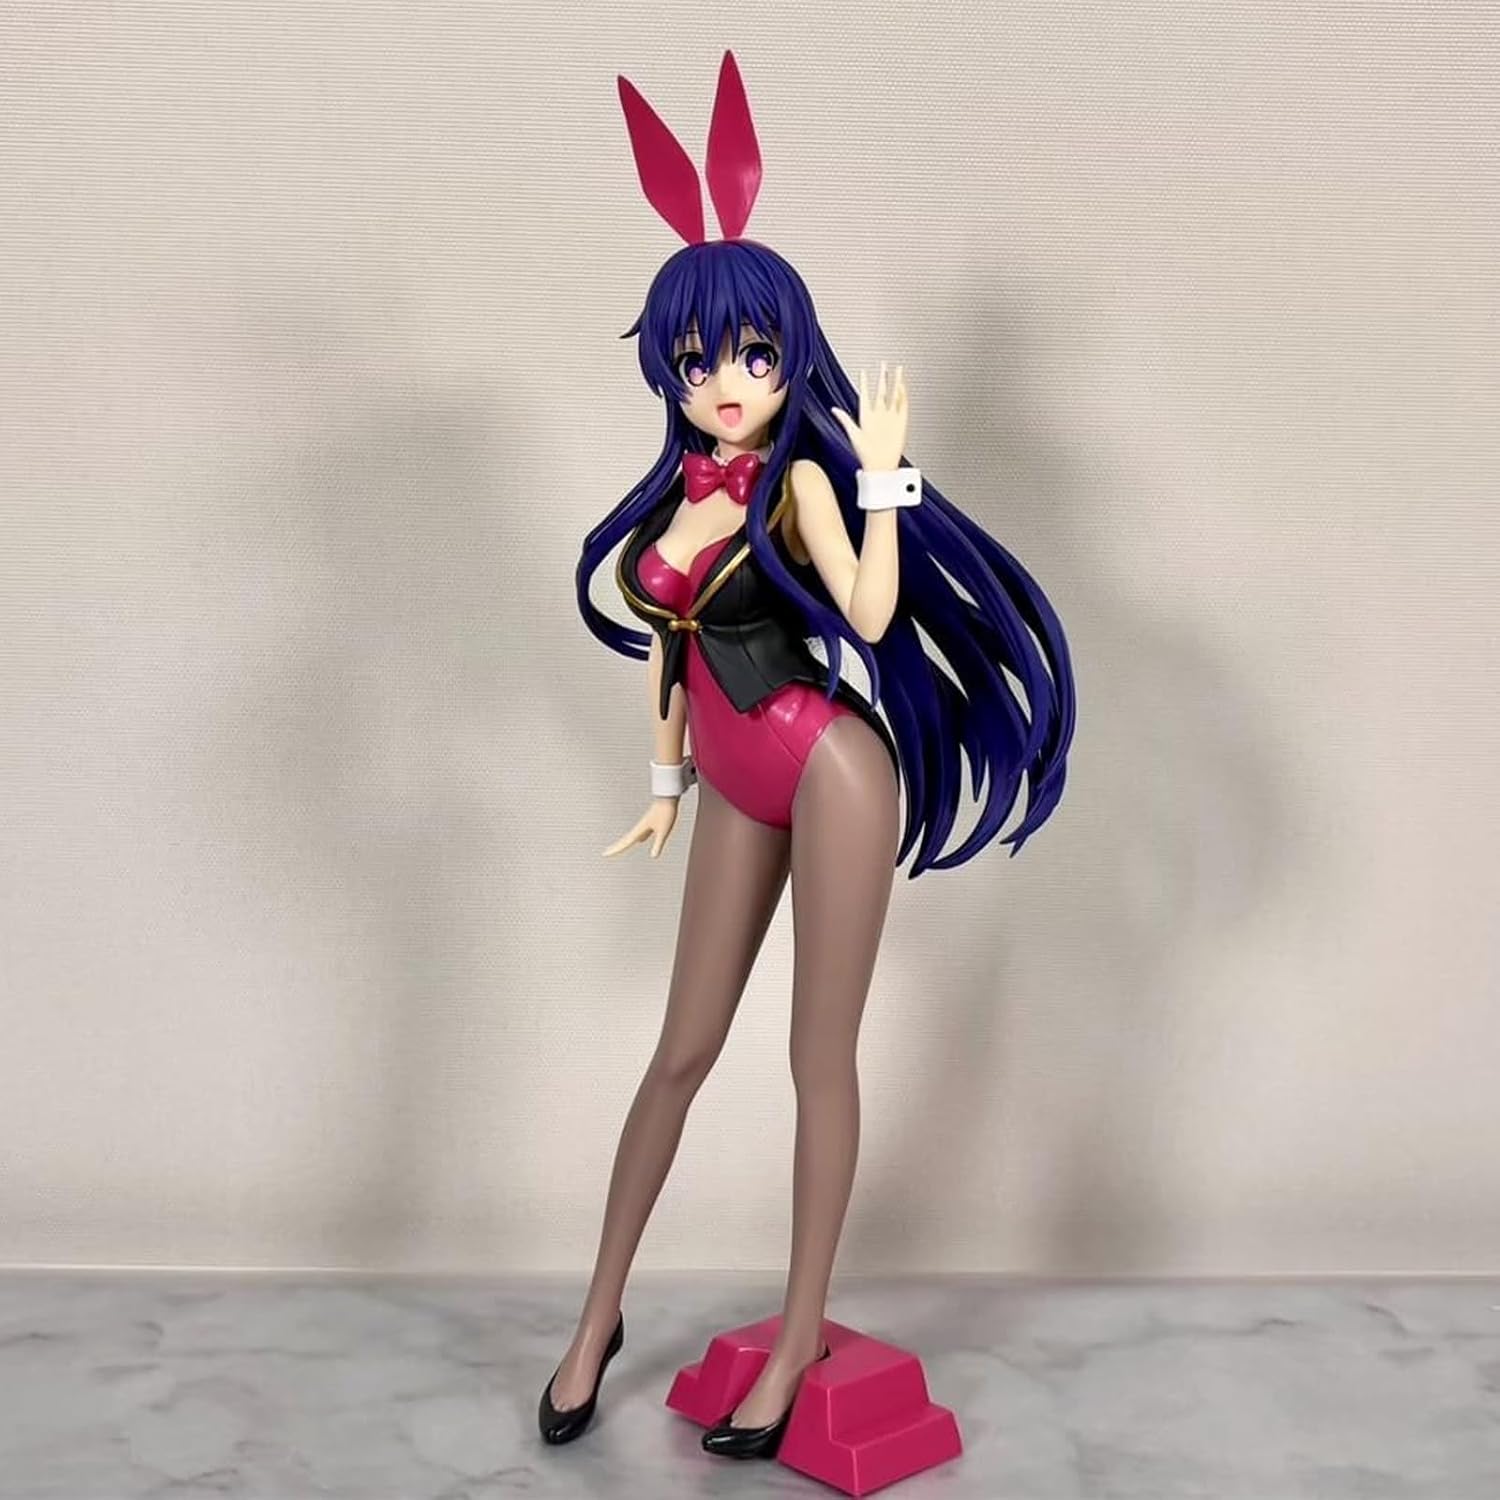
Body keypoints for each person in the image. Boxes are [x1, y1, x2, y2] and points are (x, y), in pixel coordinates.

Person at [541, 50, 1076, 1460]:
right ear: (669, 368)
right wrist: (665, 782)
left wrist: (884, 476)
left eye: (754, 356)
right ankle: (594, 1321)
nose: (728, 383)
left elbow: (873, 615)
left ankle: (794, 1345)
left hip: (829, 767)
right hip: (731, 780)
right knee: (680, 1051)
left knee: (813, 1056)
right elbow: (669, 644)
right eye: (701, 360)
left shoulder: (798, 488)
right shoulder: (673, 497)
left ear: (789, 356)